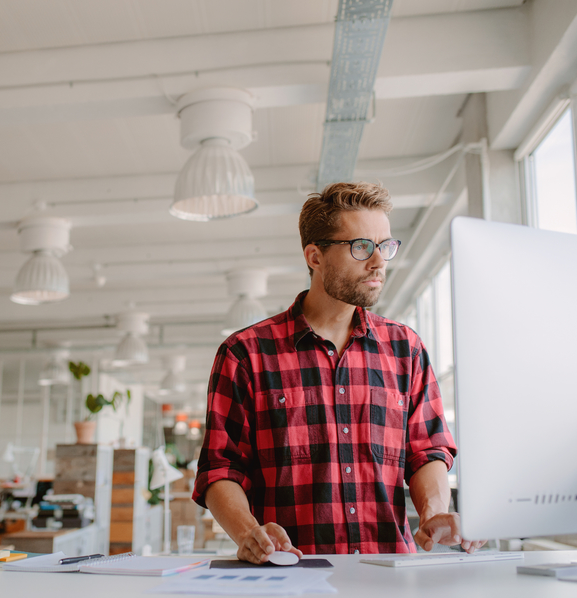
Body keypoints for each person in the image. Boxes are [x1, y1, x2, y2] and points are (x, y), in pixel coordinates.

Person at [192, 181, 483, 564]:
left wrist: (433, 513)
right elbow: (220, 468)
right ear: (315, 256)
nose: (378, 262)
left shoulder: (405, 349)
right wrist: (250, 533)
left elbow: (426, 451)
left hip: (389, 576)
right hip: (290, 577)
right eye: (361, 247)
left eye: (385, 247)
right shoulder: (245, 353)